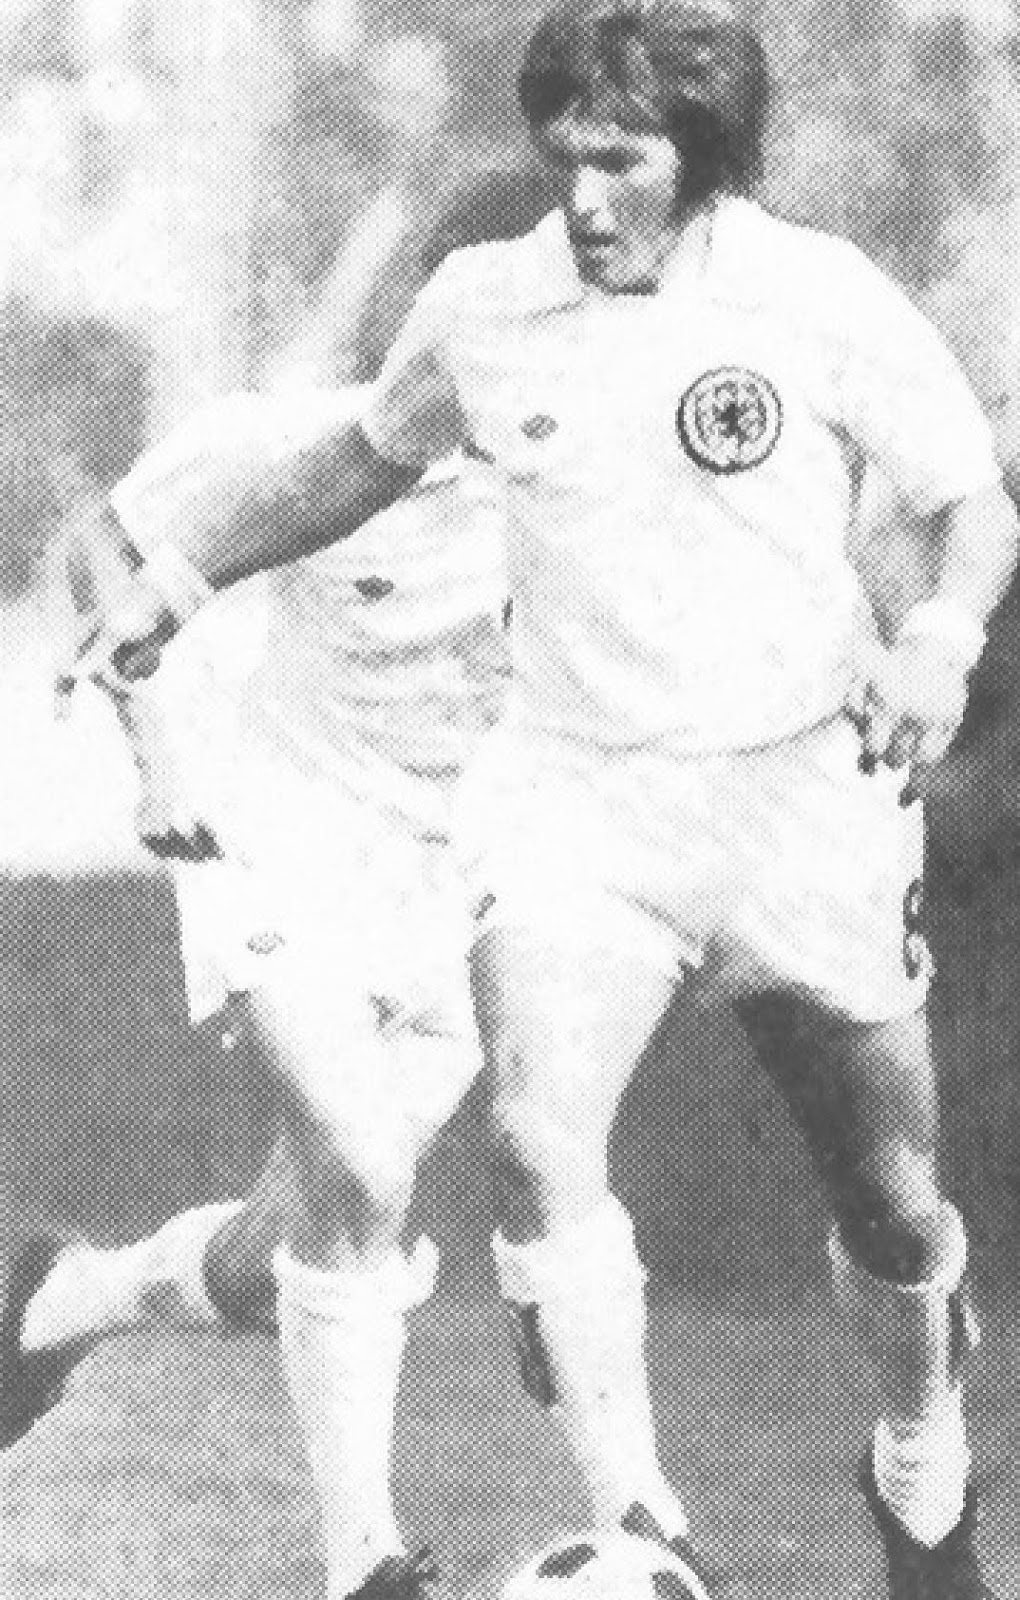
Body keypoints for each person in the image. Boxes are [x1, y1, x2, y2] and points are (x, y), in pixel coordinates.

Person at [8, 4, 1019, 1597]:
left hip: (801, 797)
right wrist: (180, 584)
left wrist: (941, 643)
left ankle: (919, 1456)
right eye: (565, 161)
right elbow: (355, 461)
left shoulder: (816, 297)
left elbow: (972, 502)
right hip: (572, 803)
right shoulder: (489, 304)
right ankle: (644, 1529)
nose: (587, 199)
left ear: (705, 159)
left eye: (622, 163)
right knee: (535, 1146)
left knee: (894, 1211)